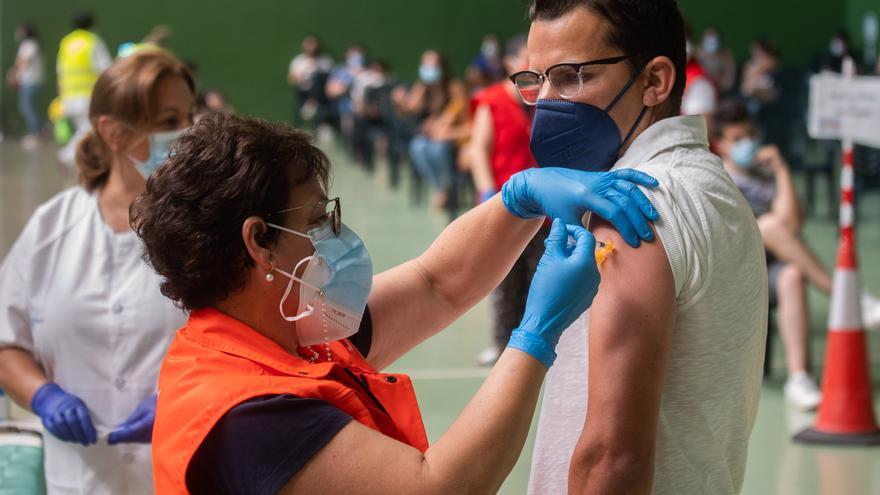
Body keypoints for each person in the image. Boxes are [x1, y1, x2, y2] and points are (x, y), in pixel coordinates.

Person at [135, 112, 662, 494]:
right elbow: (439, 488)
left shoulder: (286, 337)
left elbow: (437, 284)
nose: (334, 233)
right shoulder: (249, 413)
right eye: (316, 219)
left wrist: (519, 199)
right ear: (259, 242)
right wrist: (537, 332)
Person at [512, 1, 767, 493]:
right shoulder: (712, 185)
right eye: (535, 79)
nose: (545, 101)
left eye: (569, 77)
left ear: (655, 80)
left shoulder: (632, 206)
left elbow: (612, 458)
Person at [0, 50, 195, 494]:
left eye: (188, 116)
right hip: (79, 481)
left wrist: (177, 399)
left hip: (185, 471)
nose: (185, 133)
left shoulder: (204, 232)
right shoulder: (51, 229)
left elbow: (244, 347)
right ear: (114, 132)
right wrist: (43, 395)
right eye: (168, 121)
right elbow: (6, 344)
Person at [714, 101, 880, 410]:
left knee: (791, 275)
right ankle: (849, 297)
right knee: (768, 226)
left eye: (751, 134)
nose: (747, 143)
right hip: (733, 270)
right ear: (722, 144)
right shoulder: (719, 177)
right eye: (738, 139)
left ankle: (799, 378)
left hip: (768, 269)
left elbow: (794, 222)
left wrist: (781, 170)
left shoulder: (765, 177)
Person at [467, 34, 545, 366]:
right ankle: (502, 346)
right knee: (504, 280)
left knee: (539, 278)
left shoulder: (548, 99)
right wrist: (487, 193)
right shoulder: (491, 100)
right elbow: (478, 151)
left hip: (545, 207)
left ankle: (533, 349)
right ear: (511, 64)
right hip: (505, 206)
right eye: (526, 60)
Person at [398, 49, 470, 208]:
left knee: (437, 149)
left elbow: (458, 117)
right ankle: (440, 188)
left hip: (454, 137)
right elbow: (411, 108)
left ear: (442, 67)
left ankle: (448, 187)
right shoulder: (424, 86)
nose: (428, 68)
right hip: (433, 136)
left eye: (433, 64)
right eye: (425, 64)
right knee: (417, 146)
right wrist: (401, 101)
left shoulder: (454, 86)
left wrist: (441, 128)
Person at [56, 12, 112, 168]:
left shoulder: (66, 42)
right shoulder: (92, 41)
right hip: (88, 95)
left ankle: (76, 158)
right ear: (92, 25)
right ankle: (67, 156)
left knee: (84, 128)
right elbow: (105, 68)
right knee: (88, 129)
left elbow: (60, 70)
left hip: (69, 96)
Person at [6, 22, 44, 150]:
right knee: (27, 107)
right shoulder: (27, 45)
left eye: (21, 30)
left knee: (27, 108)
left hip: (31, 82)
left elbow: (24, 62)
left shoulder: (30, 45)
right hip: (28, 82)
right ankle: (40, 131)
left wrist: (14, 76)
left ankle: (37, 134)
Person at [287, 35, 334, 135]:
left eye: (313, 44)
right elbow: (291, 80)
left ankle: (320, 123)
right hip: (303, 93)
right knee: (300, 118)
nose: (311, 47)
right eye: (309, 44)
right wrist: (301, 74)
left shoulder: (325, 60)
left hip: (321, 95)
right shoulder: (299, 61)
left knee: (318, 77)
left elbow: (330, 79)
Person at [696, 27, 736, 95]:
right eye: (708, 39)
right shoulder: (697, 56)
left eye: (713, 39)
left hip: (721, 95)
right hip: (700, 93)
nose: (711, 43)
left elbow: (729, 83)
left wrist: (716, 80)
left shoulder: (726, 58)